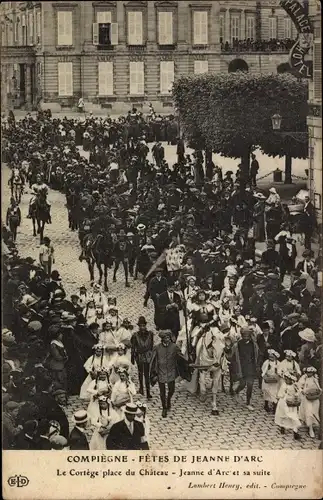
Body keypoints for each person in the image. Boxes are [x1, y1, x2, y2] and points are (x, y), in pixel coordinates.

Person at [149, 330, 181, 418]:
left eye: (168, 337)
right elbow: (153, 360)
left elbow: (180, 357)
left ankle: (169, 399)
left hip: (171, 371)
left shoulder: (174, 347)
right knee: (162, 392)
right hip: (161, 372)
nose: (168, 339)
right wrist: (154, 373)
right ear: (162, 339)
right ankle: (164, 408)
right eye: (166, 338)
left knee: (172, 390)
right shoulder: (157, 348)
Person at [231, 327, 259, 410]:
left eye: (247, 336)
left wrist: (257, 365)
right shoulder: (237, 345)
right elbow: (233, 358)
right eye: (244, 336)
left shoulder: (253, 344)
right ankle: (237, 391)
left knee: (250, 385)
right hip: (241, 368)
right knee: (242, 384)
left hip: (251, 368)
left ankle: (248, 402)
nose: (246, 338)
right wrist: (235, 370)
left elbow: (257, 354)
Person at [131, 316, 153, 399]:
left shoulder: (150, 334)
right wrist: (132, 358)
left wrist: (151, 355)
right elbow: (133, 347)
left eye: (143, 325)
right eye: (140, 326)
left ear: (146, 325)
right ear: (138, 326)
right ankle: (141, 388)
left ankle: (148, 392)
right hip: (139, 356)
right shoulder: (135, 335)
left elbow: (151, 345)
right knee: (140, 373)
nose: (142, 327)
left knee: (147, 374)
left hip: (147, 356)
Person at [274, 373, 302, 440]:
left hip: (292, 403)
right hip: (283, 403)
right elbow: (280, 394)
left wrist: (296, 394)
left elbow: (299, 392)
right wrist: (285, 394)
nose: (286, 381)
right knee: (283, 415)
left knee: (294, 416)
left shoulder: (294, 385)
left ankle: (295, 432)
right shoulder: (284, 385)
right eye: (285, 379)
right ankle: (282, 426)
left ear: (292, 380)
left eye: (288, 379)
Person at [298, 366, 321, 438]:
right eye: (308, 372)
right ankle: (310, 429)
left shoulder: (315, 378)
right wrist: (302, 391)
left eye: (311, 372)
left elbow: (318, 387)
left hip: (314, 397)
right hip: (307, 398)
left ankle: (315, 425)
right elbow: (299, 386)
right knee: (308, 412)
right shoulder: (304, 378)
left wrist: (319, 390)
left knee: (314, 412)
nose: (309, 374)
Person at [261, 349, 280, 413]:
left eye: (272, 357)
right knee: (267, 392)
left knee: (274, 393)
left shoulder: (278, 363)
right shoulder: (267, 362)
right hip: (268, 379)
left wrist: (277, 375)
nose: (271, 358)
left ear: (275, 357)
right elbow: (263, 370)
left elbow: (280, 371)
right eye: (270, 356)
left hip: (275, 381)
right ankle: (266, 405)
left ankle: (275, 406)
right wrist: (266, 375)